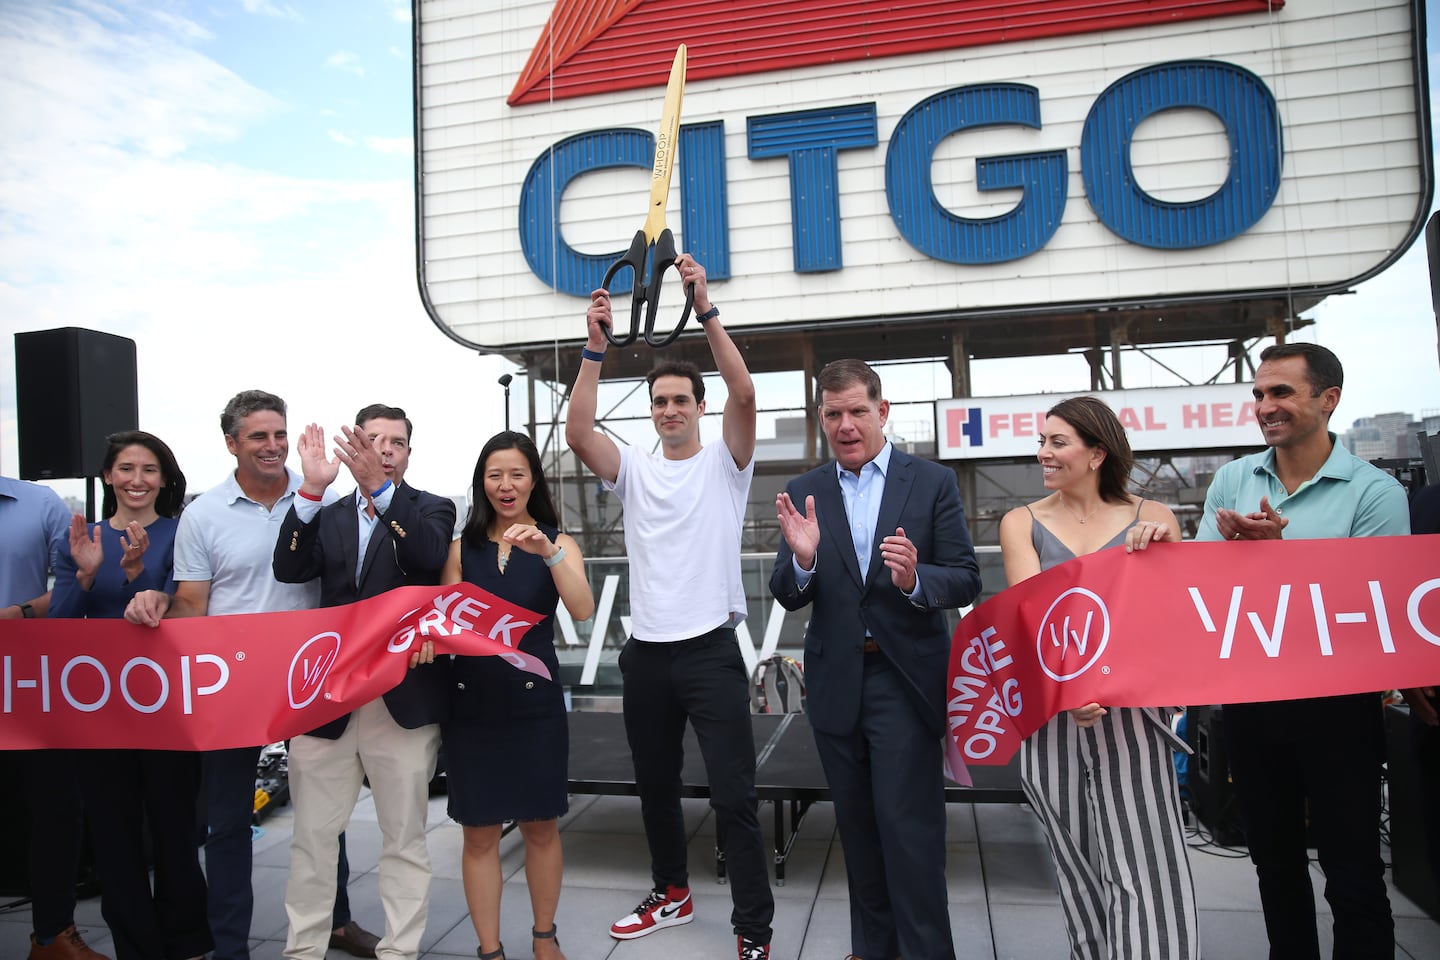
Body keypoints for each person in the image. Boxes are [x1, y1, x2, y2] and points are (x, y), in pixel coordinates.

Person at [1128, 342, 1407, 959]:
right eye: (1258, 394)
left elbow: (1375, 614)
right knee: (1274, 868)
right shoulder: (1234, 478)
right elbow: (1203, 590)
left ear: (1328, 400)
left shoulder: (1377, 493)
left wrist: (1280, 563)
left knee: (1352, 871)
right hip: (1251, 702)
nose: (1264, 405)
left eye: (1281, 392)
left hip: (1340, 708)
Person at [564, 255, 775, 960]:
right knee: (655, 785)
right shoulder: (634, 468)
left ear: (699, 407)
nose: (671, 410)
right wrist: (596, 347)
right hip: (646, 654)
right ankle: (671, 892)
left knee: (734, 797)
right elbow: (577, 431)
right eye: (660, 402)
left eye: (682, 400)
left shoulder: (726, 462)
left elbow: (745, 392)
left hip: (712, 649)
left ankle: (754, 928)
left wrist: (705, 306)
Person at [124, 390, 376, 960]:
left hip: (308, 677)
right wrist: (160, 602)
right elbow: (192, 602)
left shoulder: (322, 498)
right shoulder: (204, 513)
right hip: (230, 685)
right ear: (231, 443)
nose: (273, 446)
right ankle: (229, 945)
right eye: (259, 436)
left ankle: (336, 921)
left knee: (323, 812)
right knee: (228, 823)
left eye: (279, 434)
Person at [769, 358, 981, 960]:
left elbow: (966, 578)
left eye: (858, 411)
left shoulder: (931, 482)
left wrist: (917, 579)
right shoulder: (806, 490)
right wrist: (805, 562)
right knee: (858, 841)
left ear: (883, 411)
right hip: (837, 685)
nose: (846, 424)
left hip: (903, 681)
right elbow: (787, 590)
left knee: (909, 839)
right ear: (821, 419)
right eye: (833, 414)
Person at [998, 397, 1198, 960]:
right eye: (1042, 441)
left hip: (1135, 717)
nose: (1043, 453)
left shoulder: (1155, 519)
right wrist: (1067, 692)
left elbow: (1171, 623)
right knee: (1078, 868)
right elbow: (1028, 617)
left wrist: (1160, 557)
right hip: (1055, 718)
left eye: (1057, 442)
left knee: (1148, 865)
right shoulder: (1023, 522)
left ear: (1096, 453)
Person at [271, 405, 456, 960]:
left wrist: (380, 491)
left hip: (400, 702)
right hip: (325, 702)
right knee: (311, 841)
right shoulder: (326, 516)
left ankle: (399, 950)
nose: (384, 450)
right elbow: (289, 568)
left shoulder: (433, 509)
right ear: (354, 446)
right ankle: (302, 949)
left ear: (407, 452)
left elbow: (425, 554)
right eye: (373, 440)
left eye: (395, 442)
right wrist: (308, 490)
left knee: (404, 839)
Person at [49, 432, 211, 960]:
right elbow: (61, 625)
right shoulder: (81, 537)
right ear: (108, 476)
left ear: (163, 479)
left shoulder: (181, 532)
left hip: (167, 710)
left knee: (176, 832)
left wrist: (140, 575)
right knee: (114, 839)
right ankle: (136, 948)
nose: (136, 480)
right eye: (125, 468)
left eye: (148, 469)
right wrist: (87, 574)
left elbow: (181, 605)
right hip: (100, 715)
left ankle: (184, 943)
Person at [441, 431, 594, 960]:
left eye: (517, 474)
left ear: (534, 480)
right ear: (482, 483)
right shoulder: (463, 549)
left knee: (540, 825)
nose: (505, 486)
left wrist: (548, 553)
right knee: (479, 834)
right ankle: (489, 949)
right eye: (494, 475)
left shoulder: (559, 541)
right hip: (472, 706)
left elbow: (583, 609)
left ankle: (544, 936)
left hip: (535, 706)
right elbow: (441, 624)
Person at [2, 475, 108, 960]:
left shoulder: (37, 502)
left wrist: (20, 613)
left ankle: (52, 937)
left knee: (56, 808)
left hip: (28, 683)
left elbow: (75, 582)